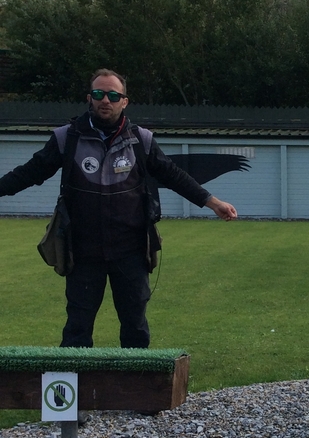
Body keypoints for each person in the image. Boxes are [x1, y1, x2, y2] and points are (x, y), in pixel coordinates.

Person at [0, 68, 238, 349]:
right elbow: (30, 172)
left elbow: (173, 175)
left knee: (135, 327)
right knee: (77, 329)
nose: (106, 100)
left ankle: (137, 379)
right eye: (99, 94)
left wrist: (213, 202)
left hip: (131, 251)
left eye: (113, 95)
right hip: (83, 251)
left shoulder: (141, 140)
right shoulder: (67, 138)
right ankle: (74, 379)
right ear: (89, 98)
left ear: (124, 101)